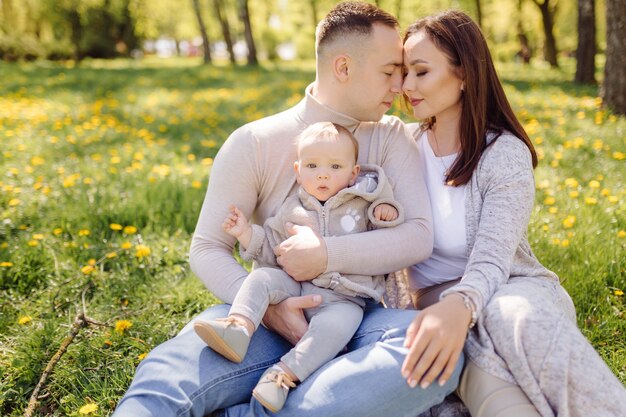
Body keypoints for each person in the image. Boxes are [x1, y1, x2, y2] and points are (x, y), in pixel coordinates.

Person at [113, 3, 463, 417]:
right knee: (165, 380)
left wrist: (327, 255)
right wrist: (271, 311)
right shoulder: (255, 142)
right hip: (261, 315)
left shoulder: (389, 137)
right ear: (344, 67)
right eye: (390, 72)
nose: (401, 85)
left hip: (356, 315)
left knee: (438, 357)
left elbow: (417, 235)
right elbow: (208, 246)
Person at [393, 10, 626, 417]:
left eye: (421, 72)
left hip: (507, 290)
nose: (406, 86)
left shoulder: (502, 154)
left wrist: (459, 305)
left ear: (464, 73)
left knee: (507, 315)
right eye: (403, 72)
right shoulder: (400, 148)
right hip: (433, 311)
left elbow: (493, 258)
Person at [193, 122, 403, 413]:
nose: (323, 174)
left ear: (354, 173)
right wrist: (246, 233)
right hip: (294, 285)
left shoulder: (361, 202)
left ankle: (282, 376)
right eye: (313, 165)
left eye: (335, 166)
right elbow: (271, 248)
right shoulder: (293, 208)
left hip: (343, 297)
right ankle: (239, 326)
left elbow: (384, 241)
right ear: (298, 170)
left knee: (334, 330)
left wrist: (386, 212)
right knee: (263, 278)